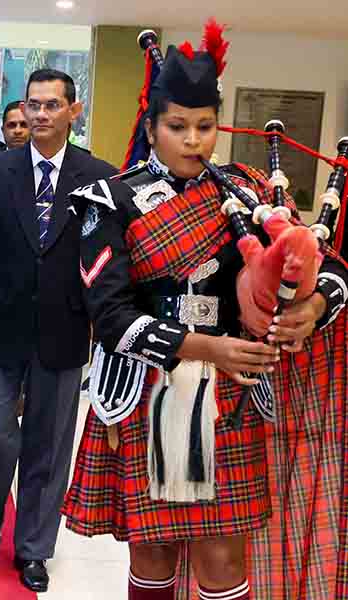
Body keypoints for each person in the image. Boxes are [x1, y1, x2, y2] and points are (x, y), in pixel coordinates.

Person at [61, 27, 348, 600]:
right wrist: (206, 349)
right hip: (146, 386)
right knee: (154, 548)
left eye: (205, 126)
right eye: (176, 126)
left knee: (224, 552)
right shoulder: (108, 200)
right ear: (151, 129)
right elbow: (111, 317)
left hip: (232, 394)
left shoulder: (250, 191)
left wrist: (312, 308)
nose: (192, 140)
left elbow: (330, 266)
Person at [0, 69, 116, 592]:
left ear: (75, 110)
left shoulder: (100, 179)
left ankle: (34, 549)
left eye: (52, 105)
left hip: (65, 335)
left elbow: (107, 262)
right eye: (33, 105)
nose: (41, 114)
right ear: (21, 110)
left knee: (48, 448)